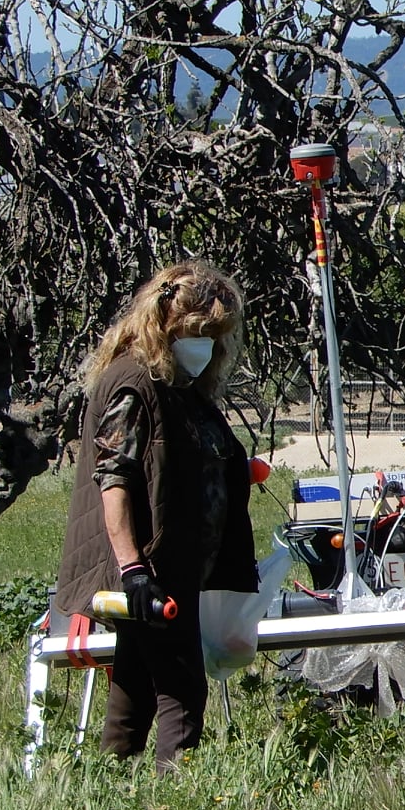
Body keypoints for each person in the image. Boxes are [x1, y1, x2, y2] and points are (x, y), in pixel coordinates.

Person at [55, 261, 260, 767]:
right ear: (167, 324)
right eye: (201, 334)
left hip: (178, 565)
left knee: (135, 681)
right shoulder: (134, 384)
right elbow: (115, 481)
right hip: (150, 570)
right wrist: (133, 570)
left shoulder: (180, 387)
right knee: (181, 689)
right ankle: (176, 798)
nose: (208, 346)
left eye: (216, 337)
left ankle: (112, 781)